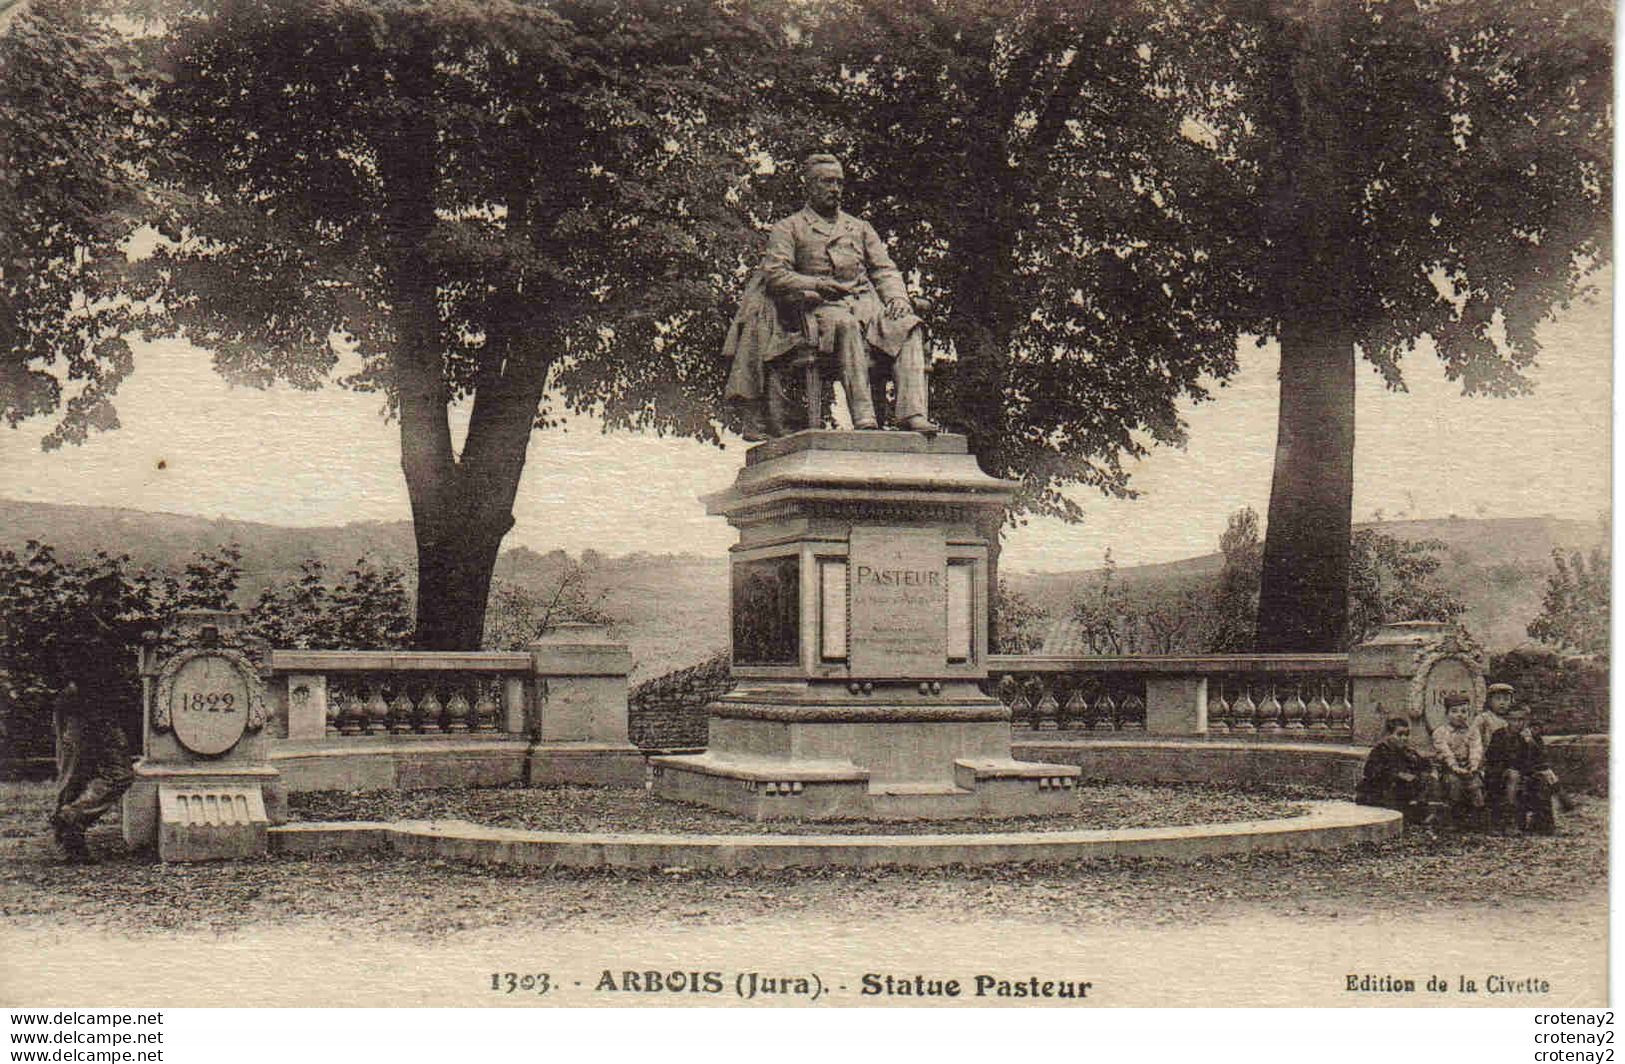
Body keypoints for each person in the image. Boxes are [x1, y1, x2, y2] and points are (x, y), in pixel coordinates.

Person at [727, 153, 938, 437]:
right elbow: (775, 273)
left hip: (866, 307)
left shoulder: (859, 227)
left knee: (909, 325)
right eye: (827, 182)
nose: (835, 189)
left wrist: (897, 299)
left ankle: (912, 414)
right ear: (809, 186)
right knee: (845, 325)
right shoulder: (789, 228)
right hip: (818, 309)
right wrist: (815, 284)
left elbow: (884, 270)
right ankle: (864, 417)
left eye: (839, 182)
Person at [47, 573, 137, 863]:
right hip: (77, 712)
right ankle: (67, 843)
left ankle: (71, 817)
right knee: (73, 776)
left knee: (120, 774)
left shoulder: (113, 631)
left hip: (105, 714)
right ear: (92, 597)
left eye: (117, 598)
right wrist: (65, 684)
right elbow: (52, 662)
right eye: (107, 597)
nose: (113, 603)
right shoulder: (73, 628)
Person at [1483, 704, 1562, 835]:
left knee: (1544, 778)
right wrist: (1512, 767)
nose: (1517, 724)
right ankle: (1510, 820)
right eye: (1513, 720)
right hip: (1501, 775)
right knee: (1513, 777)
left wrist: (1530, 743)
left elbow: (1540, 759)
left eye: (1521, 720)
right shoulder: (1499, 735)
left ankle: (1542, 822)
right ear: (1507, 720)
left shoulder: (1531, 737)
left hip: (1525, 773)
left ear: (1526, 721)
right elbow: (1493, 759)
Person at [1355, 715, 1439, 824]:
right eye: (1399, 735)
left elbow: (1423, 764)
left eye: (1407, 735)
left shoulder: (1407, 751)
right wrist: (1398, 774)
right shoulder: (1380, 751)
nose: (1404, 738)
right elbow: (1371, 772)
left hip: (1401, 788)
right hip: (1379, 789)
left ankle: (1420, 811)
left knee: (1423, 781)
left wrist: (1427, 770)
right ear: (1388, 735)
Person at [1430, 693, 1486, 829]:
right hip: (1448, 767)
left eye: (1464, 711)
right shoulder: (1440, 732)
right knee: (1454, 783)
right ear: (1447, 714)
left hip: (1468, 766)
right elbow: (1445, 751)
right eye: (1454, 711)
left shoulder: (1472, 731)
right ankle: (1453, 818)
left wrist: (1473, 765)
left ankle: (1476, 818)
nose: (1459, 715)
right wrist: (1454, 766)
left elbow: (1476, 748)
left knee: (1475, 785)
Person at [1473, 682, 1513, 750]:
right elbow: (1474, 739)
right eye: (1498, 699)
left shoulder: (1513, 719)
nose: (1502, 703)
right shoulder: (1483, 718)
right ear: (1490, 701)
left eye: (1506, 699)